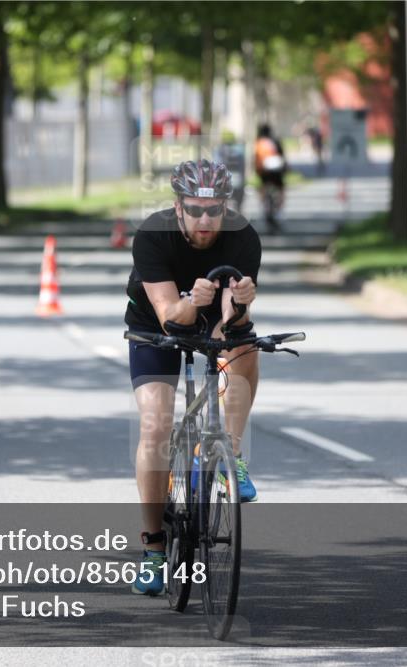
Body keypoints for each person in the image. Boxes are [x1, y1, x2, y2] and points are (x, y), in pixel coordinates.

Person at [125, 159, 261, 595]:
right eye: (196, 209)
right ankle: (154, 549)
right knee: (156, 424)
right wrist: (192, 301)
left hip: (209, 322)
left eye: (214, 210)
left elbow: (228, 322)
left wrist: (238, 305)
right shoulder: (152, 235)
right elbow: (169, 317)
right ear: (178, 207)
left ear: (226, 207)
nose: (206, 221)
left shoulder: (242, 238)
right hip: (154, 326)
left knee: (244, 344)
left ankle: (230, 458)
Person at [254, 124, 287, 233]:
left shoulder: (258, 143)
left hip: (264, 173)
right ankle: (277, 212)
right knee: (280, 192)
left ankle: (265, 208)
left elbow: (255, 160)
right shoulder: (275, 141)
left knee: (264, 190)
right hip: (276, 173)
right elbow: (282, 156)